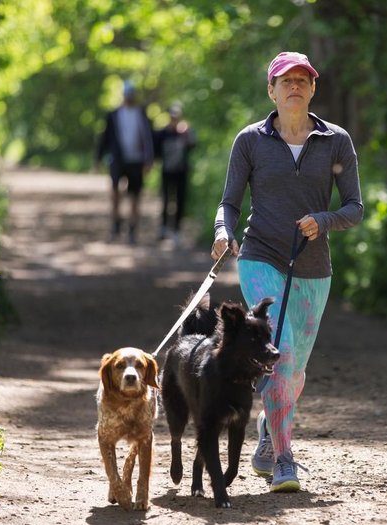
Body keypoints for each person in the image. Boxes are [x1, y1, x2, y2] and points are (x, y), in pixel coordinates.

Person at [211, 51, 363, 493]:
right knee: (284, 355)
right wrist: (223, 230)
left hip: (314, 269)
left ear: (313, 89)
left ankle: (267, 433)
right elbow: (229, 203)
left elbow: (354, 208)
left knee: (294, 373)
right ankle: (284, 460)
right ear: (271, 91)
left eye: (303, 79)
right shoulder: (250, 141)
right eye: (286, 80)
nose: (294, 86)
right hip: (260, 257)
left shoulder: (336, 141)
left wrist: (324, 219)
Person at [95, 80, 154, 244]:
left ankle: (132, 229)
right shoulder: (113, 115)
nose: (129, 98)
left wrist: (149, 159)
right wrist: (98, 158)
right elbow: (105, 138)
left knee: (135, 195)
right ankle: (115, 223)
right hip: (117, 160)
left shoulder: (141, 114)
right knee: (115, 193)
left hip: (136, 161)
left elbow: (148, 138)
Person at [153, 103, 197, 245]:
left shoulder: (185, 132)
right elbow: (156, 150)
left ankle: (176, 230)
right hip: (167, 171)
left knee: (180, 200)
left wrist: (186, 133)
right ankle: (164, 228)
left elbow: (193, 145)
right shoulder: (163, 133)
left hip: (181, 171)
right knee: (166, 199)